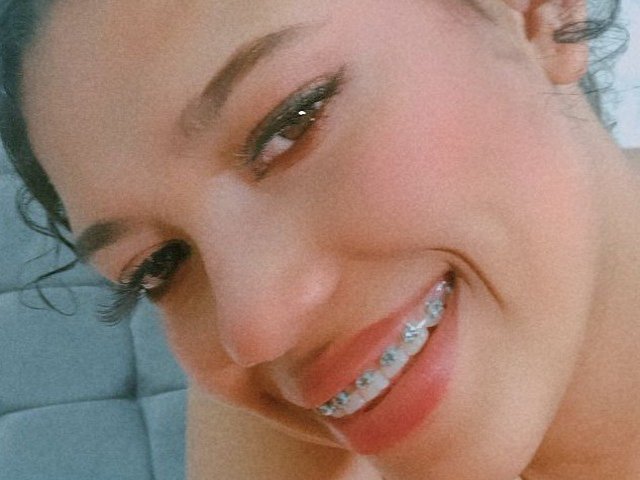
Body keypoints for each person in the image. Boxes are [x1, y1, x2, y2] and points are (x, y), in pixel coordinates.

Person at [1, 0, 638, 478]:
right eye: (160, 266)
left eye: (293, 122)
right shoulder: (318, 372)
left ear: (535, 11)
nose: (253, 330)